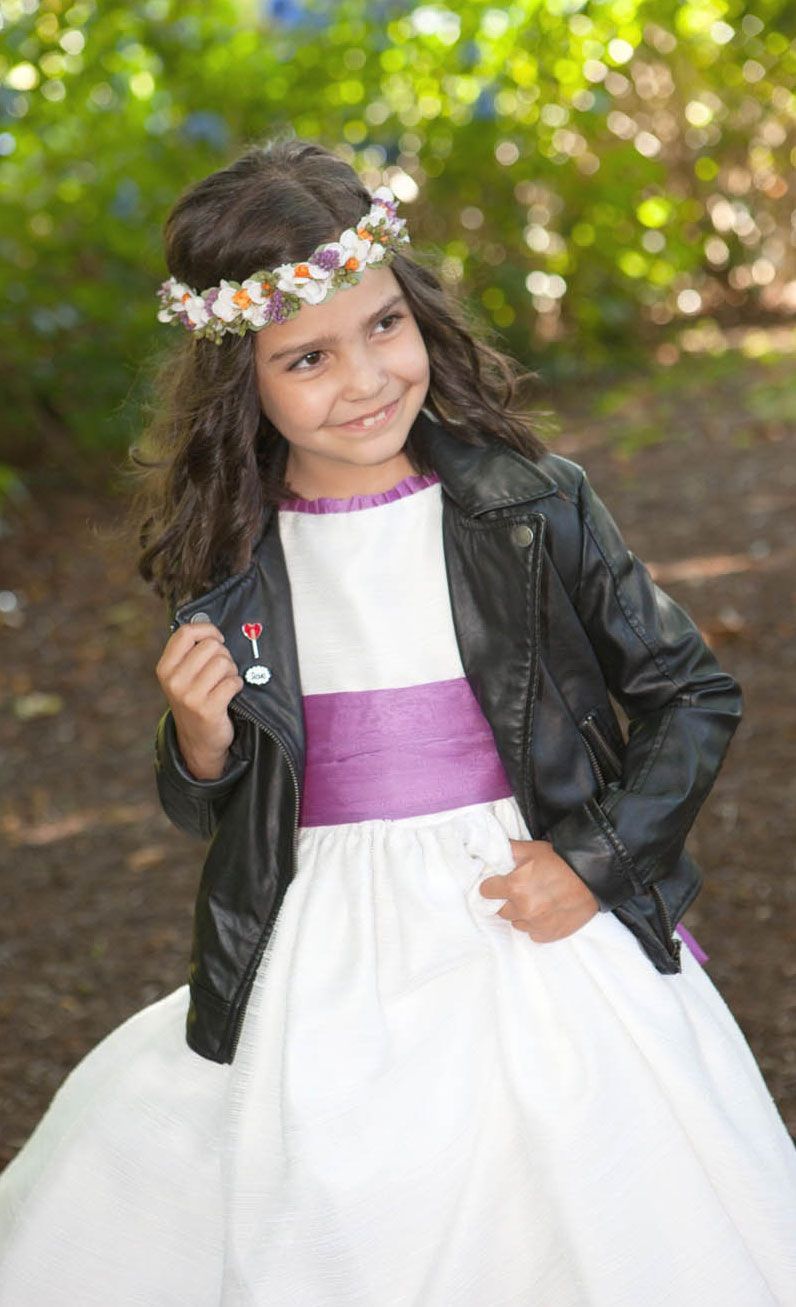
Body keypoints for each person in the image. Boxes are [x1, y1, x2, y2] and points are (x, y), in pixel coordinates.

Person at [0, 134, 794, 1307]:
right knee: (344, 1198)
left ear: (415, 307)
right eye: (308, 357)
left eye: (384, 325)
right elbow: (223, 799)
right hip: (322, 946)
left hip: (528, 912)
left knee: (583, 1194)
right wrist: (200, 738)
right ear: (242, 381)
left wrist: (592, 859)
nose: (366, 378)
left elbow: (690, 691)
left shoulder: (530, 507)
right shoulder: (232, 557)